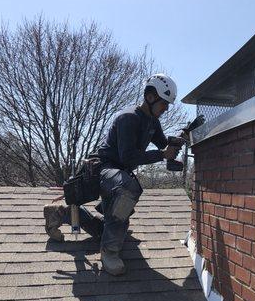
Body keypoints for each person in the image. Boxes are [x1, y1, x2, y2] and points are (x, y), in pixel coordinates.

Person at [44, 73, 183, 275]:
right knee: (127, 190)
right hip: (102, 168)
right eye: (164, 103)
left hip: (117, 174)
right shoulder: (129, 118)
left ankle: (59, 212)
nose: (166, 109)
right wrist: (162, 155)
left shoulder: (152, 122)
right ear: (151, 97)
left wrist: (179, 140)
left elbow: (163, 145)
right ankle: (109, 253)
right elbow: (127, 157)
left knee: (112, 226)